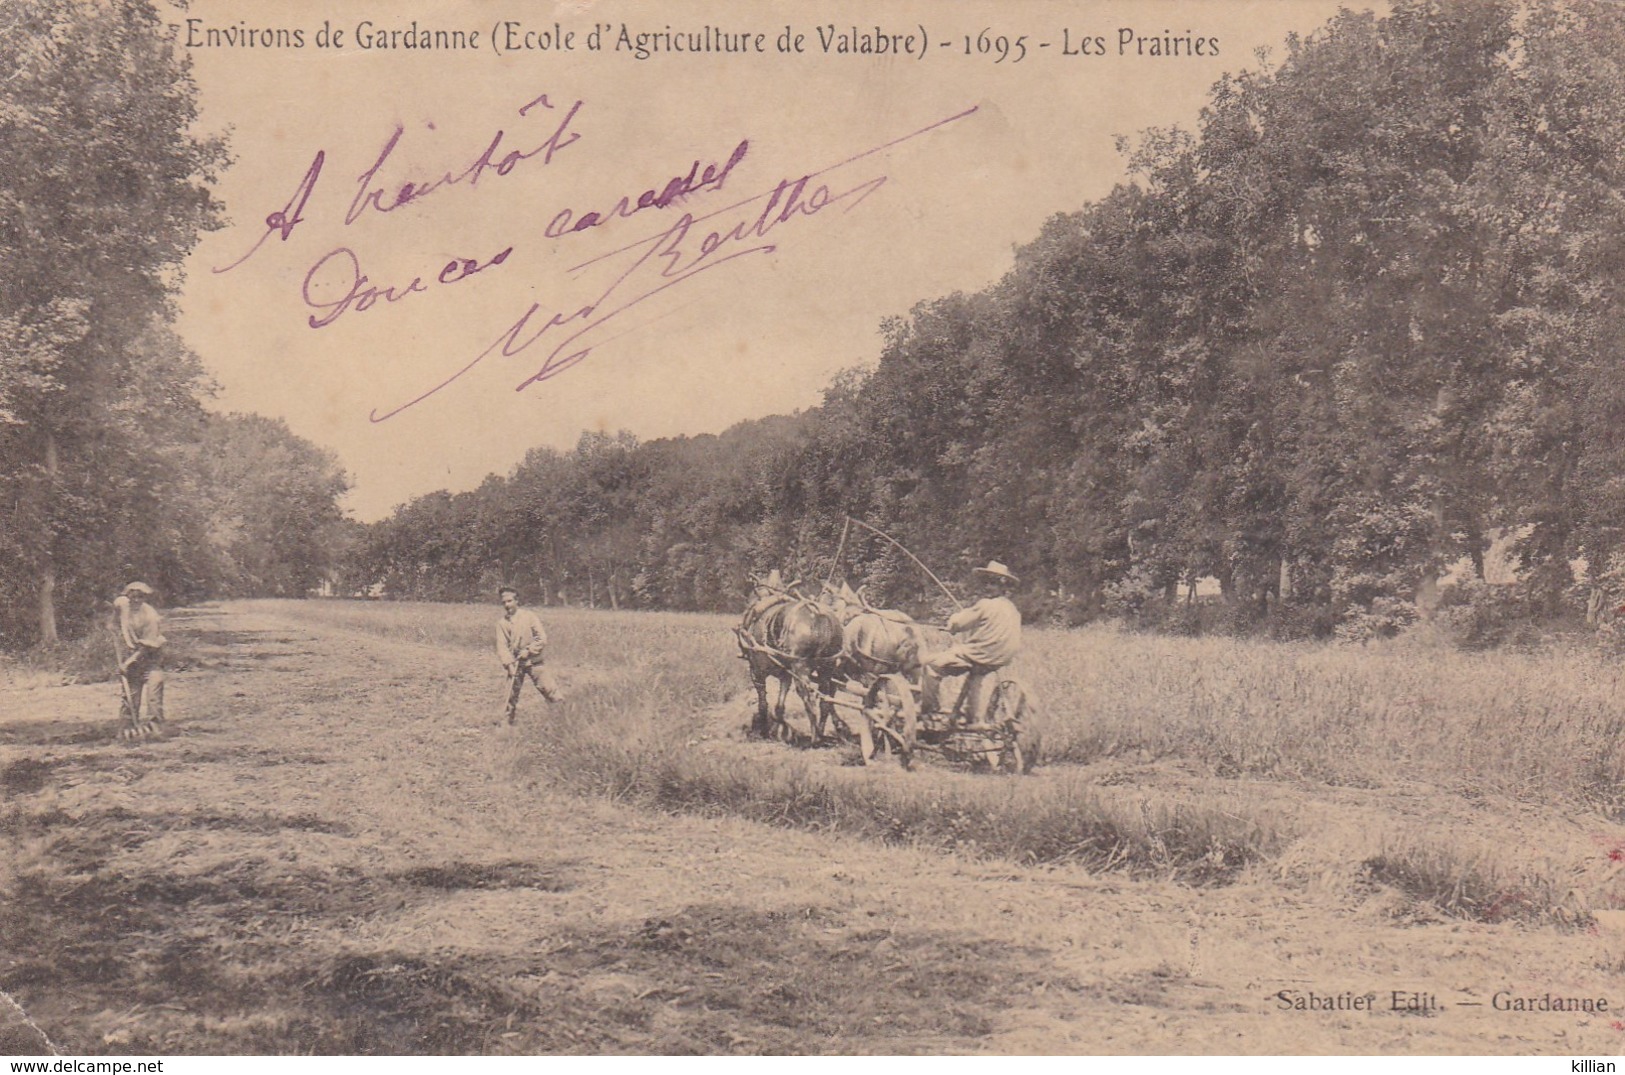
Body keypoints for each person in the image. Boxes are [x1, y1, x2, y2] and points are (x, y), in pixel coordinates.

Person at [919, 561, 1022, 723]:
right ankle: (971, 717)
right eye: (986, 582)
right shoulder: (1012, 608)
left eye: (993, 583)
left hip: (978, 655)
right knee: (976, 676)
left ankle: (927, 712)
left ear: (1003, 587)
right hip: (1000, 658)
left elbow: (958, 623)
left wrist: (952, 624)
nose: (988, 587)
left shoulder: (985, 605)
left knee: (931, 665)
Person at [496, 585, 564, 723]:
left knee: (550, 691)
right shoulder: (502, 623)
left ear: (517, 601)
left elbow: (542, 638)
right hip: (515, 664)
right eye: (503, 602)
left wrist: (528, 651)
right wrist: (508, 663)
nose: (506, 605)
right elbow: (502, 646)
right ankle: (506, 725)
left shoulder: (529, 617)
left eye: (509, 601)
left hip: (534, 662)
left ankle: (561, 719)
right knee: (510, 696)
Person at [113, 581, 166, 737]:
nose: (136, 600)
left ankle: (155, 729)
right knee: (130, 696)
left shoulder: (150, 615)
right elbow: (116, 609)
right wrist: (112, 625)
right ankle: (126, 730)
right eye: (133, 596)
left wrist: (127, 663)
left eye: (140, 597)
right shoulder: (124, 606)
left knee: (154, 691)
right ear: (128, 596)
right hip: (131, 657)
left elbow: (147, 646)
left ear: (145, 597)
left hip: (151, 657)